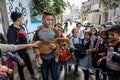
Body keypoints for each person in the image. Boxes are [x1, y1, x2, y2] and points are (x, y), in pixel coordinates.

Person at [7, 12, 35, 80]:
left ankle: (33, 76)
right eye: (21, 18)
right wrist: (19, 58)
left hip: (25, 51)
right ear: (18, 19)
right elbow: (12, 46)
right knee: (21, 68)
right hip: (18, 53)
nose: (22, 19)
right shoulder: (11, 31)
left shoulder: (21, 27)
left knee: (29, 64)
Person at [33, 12, 59, 80]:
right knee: (45, 77)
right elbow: (34, 42)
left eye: (51, 20)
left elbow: (59, 41)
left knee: (55, 77)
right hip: (43, 59)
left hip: (54, 58)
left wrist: (56, 46)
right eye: (48, 19)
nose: (50, 22)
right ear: (43, 19)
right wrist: (36, 51)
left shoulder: (55, 30)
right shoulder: (38, 31)